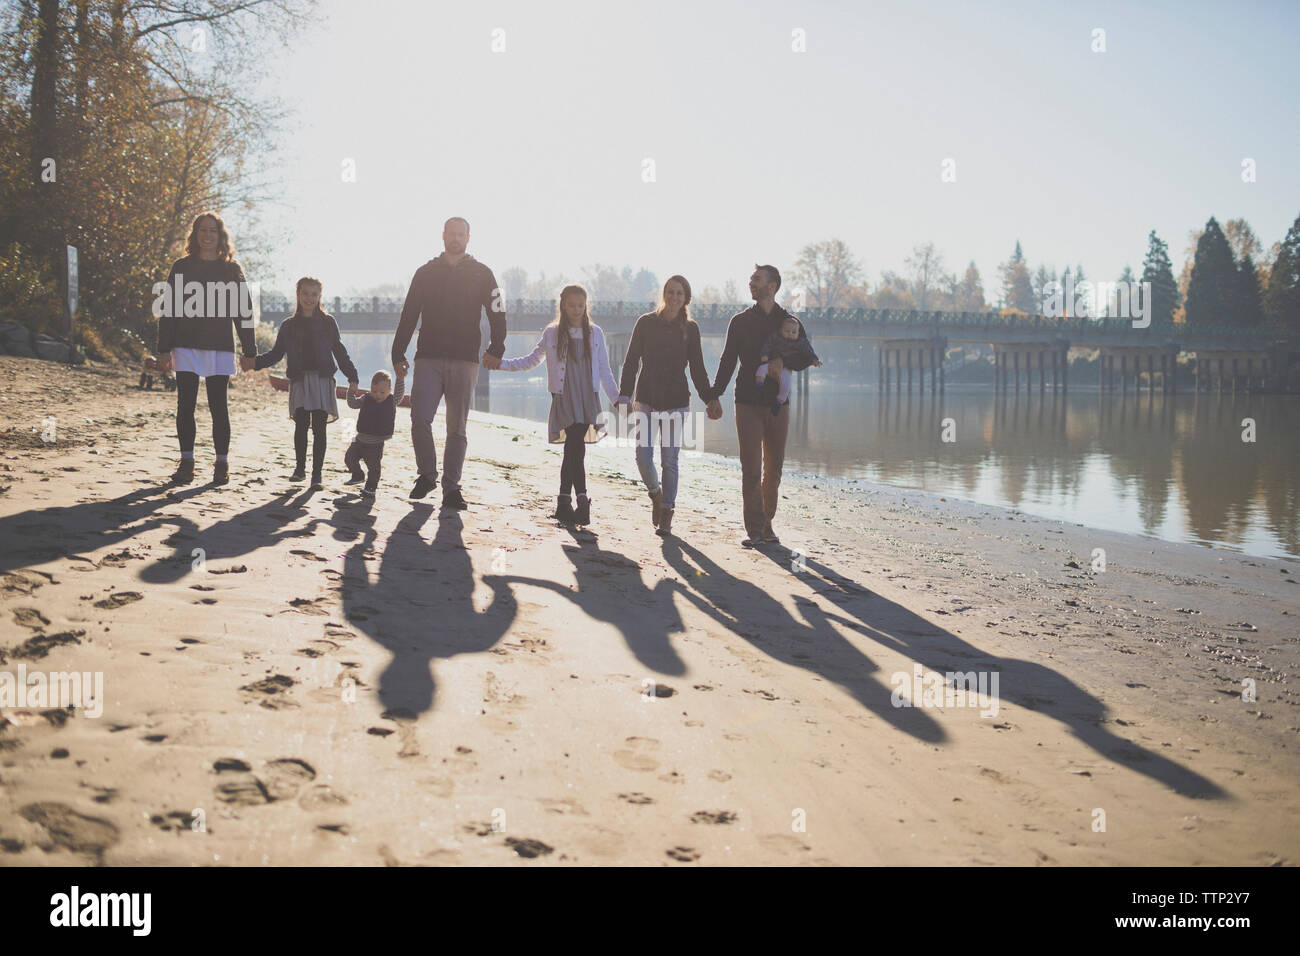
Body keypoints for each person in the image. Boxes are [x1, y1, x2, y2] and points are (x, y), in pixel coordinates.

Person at [391, 216, 507, 510]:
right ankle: (427, 475)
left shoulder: (483, 274)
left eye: (461, 234)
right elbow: (408, 315)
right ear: (443, 236)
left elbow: (498, 313)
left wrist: (496, 348)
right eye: (451, 233)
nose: (455, 238)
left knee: (457, 428)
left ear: (468, 238)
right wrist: (397, 353)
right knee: (420, 419)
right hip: (428, 355)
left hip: (465, 358)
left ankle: (451, 488)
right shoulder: (425, 273)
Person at [707, 263, 817, 547]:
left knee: (775, 468)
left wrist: (784, 361)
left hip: (779, 404)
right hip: (747, 401)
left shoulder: (790, 322)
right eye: (750, 279)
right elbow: (728, 360)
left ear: (772, 286)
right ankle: (754, 530)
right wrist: (713, 395)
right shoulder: (740, 321)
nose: (751, 283)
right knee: (751, 467)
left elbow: (805, 356)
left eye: (756, 279)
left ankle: (768, 523)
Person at [496, 284, 620, 525]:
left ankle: (566, 502)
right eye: (572, 305)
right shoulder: (552, 333)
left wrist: (617, 399)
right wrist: (501, 364)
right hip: (563, 396)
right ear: (563, 305)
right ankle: (579, 501)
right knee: (574, 447)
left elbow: (605, 370)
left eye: (580, 306)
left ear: (586, 307)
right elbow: (531, 360)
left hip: (587, 397)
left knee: (574, 449)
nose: (576, 310)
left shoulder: (595, 333)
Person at [155, 211, 257, 486]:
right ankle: (187, 462)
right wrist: (164, 348)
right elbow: (169, 308)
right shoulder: (182, 266)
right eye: (202, 230)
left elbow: (243, 311)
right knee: (185, 405)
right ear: (195, 234)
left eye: (213, 231)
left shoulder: (231, 270)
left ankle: (221, 464)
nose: (207, 235)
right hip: (186, 344)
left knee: (218, 407)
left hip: (219, 346)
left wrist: (250, 351)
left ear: (220, 236)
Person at [617, 275, 714, 537]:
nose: (674, 297)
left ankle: (668, 512)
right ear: (664, 294)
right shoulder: (646, 323)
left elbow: (697, 369)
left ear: (686, 298)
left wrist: (710, 398)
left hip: (676, 401)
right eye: (670, 292)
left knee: (669, 460)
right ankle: (656, 494)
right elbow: (630, 362)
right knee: (642, 457)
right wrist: (624, 396)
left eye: (679, 294)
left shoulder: (690, 329)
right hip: (646, 397)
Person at [246, 276, 360, 490]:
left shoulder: (328, 322)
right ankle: (299, 469)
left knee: (319, 427)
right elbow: (277, 353)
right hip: (299, 379)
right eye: (305, 293)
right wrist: (255, 363)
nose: (309, 298)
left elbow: (339, 351)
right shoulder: (289, 325)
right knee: (301, 426)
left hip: (322, 379)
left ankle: (316, 475)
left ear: (320, 296)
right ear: (298, 294)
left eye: (314, 294)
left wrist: (352, 377)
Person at [344, 369, 406, 498]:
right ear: (370, 389)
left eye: (382, 392)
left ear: (389, 390)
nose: (377, 394)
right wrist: (350, 393)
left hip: (376, 443)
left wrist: (400, 379)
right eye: (374, 391)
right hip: (359, 439)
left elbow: (399, 393)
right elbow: (352, 404)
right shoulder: (366, 398)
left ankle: (371, 486)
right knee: (349, 458)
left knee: (374, 467)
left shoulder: (391, 400)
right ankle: (358, 475)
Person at [755, 314, 821, 415]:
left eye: (794, 332)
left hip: (787, 368)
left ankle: (779, 402)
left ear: (798, 333)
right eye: (787, 331)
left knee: (786, 386)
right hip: (772, 363)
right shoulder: (776, 337)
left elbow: (808, 351)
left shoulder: (800, 342)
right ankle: (759, 386)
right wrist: (764, 355)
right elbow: (767, 344)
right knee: (761, 369)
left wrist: (814, 359)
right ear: (781, 330)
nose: (790, 334)